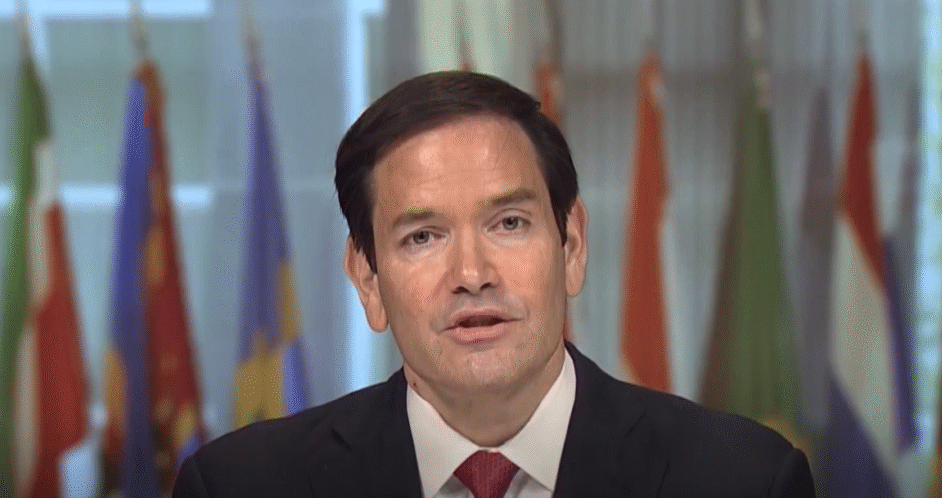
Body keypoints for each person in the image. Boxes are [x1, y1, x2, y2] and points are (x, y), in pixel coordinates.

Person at [173, 71, 815, 498]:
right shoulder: (241, 486)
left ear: (571, 246)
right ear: (367, 277)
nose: (471, 275)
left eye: (509, 223)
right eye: (422, 237)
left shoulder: (743, 481)